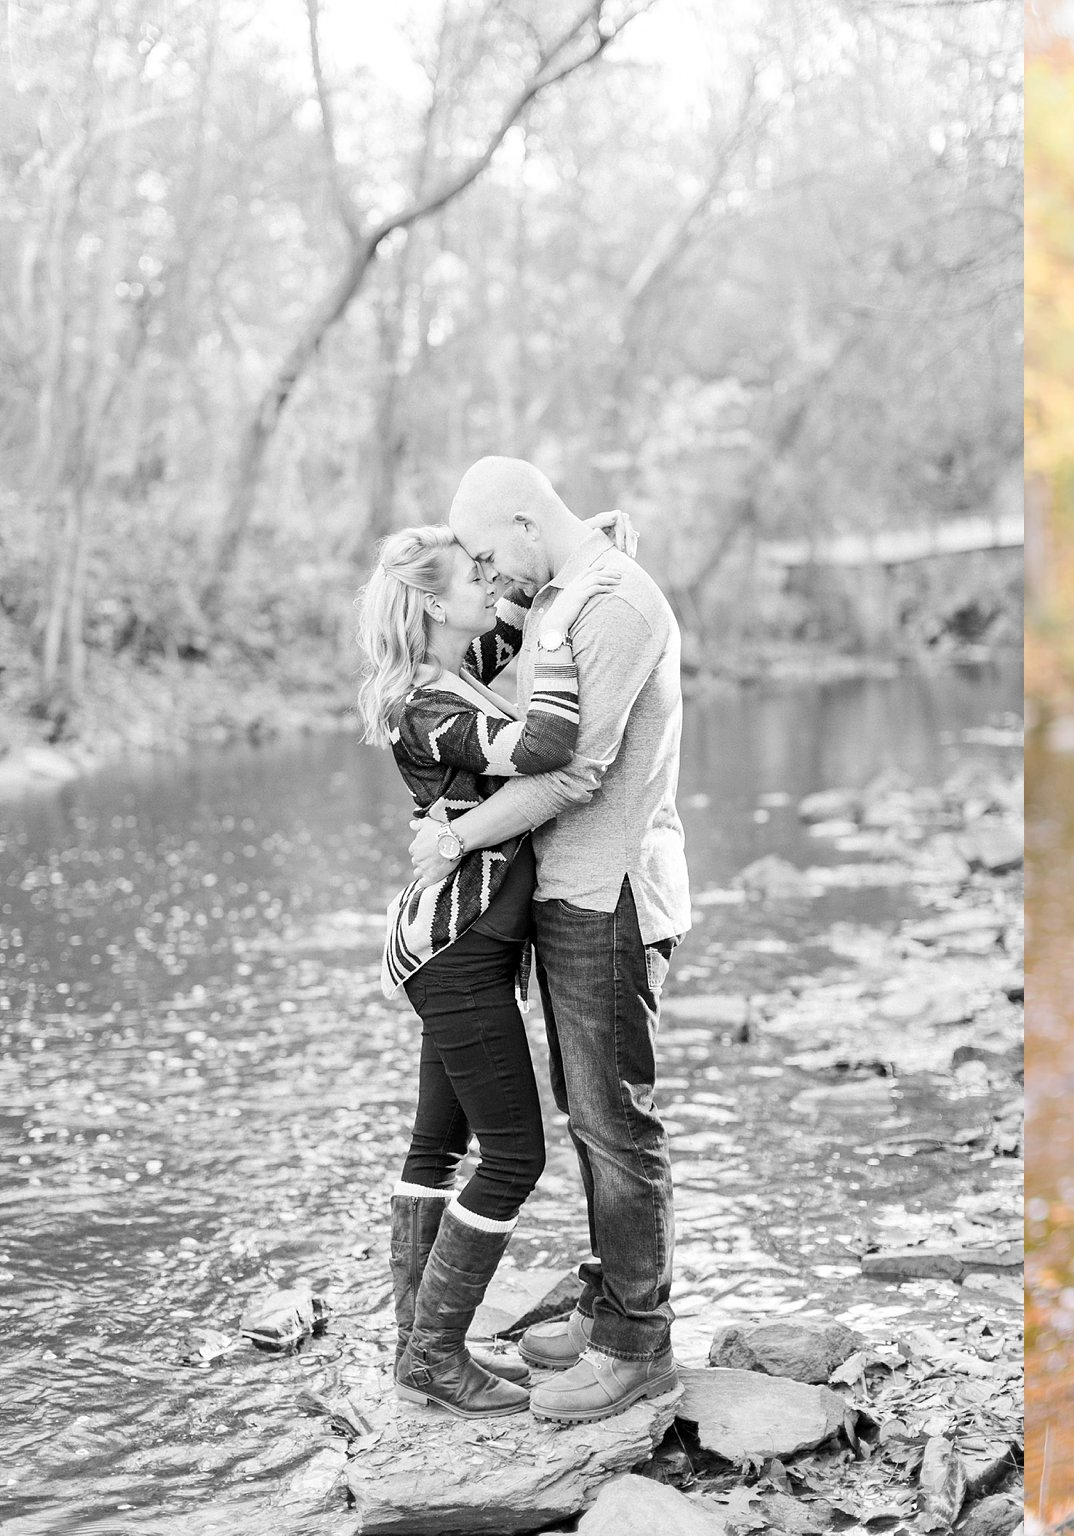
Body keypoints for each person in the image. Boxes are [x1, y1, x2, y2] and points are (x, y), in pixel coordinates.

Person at [404, 456, 691, 1426]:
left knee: (615, 1123)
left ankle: (636, 1346)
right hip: (568, 894)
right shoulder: (564, 593)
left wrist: (453, 838)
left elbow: (574, 773)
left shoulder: (609, 604)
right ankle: (614, 1303)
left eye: (490, 553)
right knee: (588, 1116)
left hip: (607, 892)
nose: (490, 574)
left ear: (528, 522)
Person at [356, 524, 616, 1418]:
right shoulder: (432, 707)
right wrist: (562, 630)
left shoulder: (456, 667)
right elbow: (545, 745)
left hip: (460, 945)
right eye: (474, 575)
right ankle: (432, 1352)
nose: (489, 581)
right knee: (514, 1155)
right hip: (459, 951)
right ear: (434, 604)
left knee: (437, 1146)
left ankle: (416, 1350)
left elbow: (517, 616)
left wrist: (580, 551)